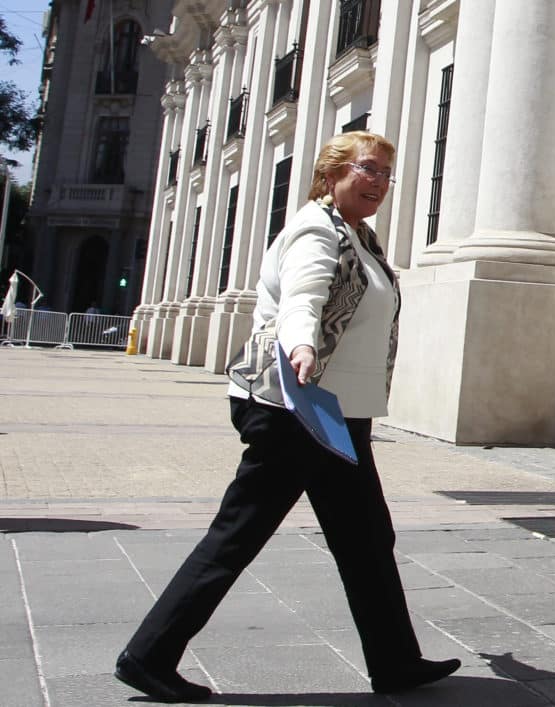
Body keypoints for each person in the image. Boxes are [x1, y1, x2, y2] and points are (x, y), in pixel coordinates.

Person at [115, 131, 460, 702]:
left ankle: (395, 662)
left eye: (386, 174)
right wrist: (301, 345)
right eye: (368, 170)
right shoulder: (314, 229)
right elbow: (305, 295)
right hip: (293, 408)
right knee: (239, 535)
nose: (378, 183)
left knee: (367, 538)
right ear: (333, 174)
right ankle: (147, 656)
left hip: (334, 414)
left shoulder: (359, 236)